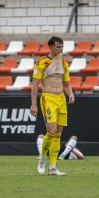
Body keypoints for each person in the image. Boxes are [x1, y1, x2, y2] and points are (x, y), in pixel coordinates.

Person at [30, 36, 75, 175]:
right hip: (48, 98)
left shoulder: (64, 63)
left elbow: (66, 84)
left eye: (62, 47)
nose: (60, 49)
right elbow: (35, 85)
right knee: (51, 131)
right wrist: (34, 104)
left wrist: (71, 94)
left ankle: (53, 168)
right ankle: (42, 158)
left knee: (58, 135)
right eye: (58, 47)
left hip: (61, 99)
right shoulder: (42, 63)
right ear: (50, 47)